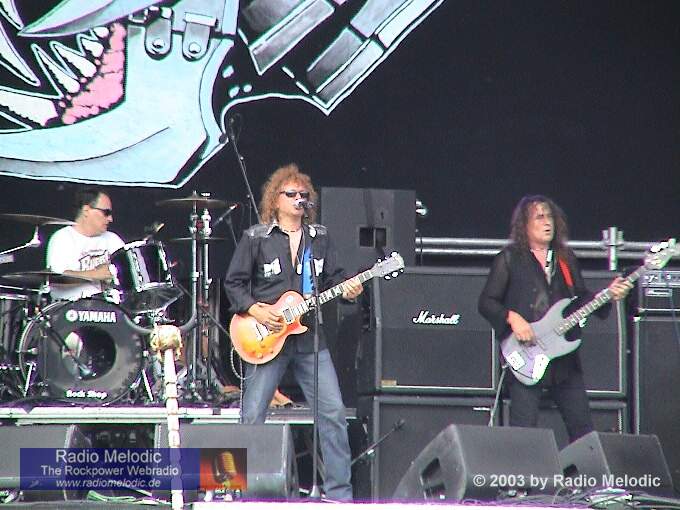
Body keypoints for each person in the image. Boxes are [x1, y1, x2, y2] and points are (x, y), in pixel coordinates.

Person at [223, 163, 362, 501]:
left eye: (303, 194)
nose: (299, 199)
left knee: (333, 413)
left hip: (310, 338)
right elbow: (233, 284)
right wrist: (257, 310)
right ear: (275, 199)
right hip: (266, 337)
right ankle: (240, 494)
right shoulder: (256, 238)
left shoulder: (320, 238)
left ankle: (339, 495)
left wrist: (349, 289)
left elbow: (334, 279)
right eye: (291, 194)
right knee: (253, 414)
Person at [478, 195, 632, 443]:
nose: (547, 222)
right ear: (525, 225)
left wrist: (608, 296)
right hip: (526, 353)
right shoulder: (509, 259)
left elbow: (580, 300)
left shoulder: (565, 259)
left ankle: (585, 470)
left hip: (564, 359)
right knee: (524, 432)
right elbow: (486, 302)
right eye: (539, 217)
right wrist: (512, 318)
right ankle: (524, 471)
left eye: (549, 216)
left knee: (583, 431)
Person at [46, 187, 125, 301]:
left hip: (111, 306)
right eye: (106, 213)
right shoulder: (63, 238)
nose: (110, 219)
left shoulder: (113, 239)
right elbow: (57, 278)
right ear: (86, 210)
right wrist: (95, 274)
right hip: (71, 307)